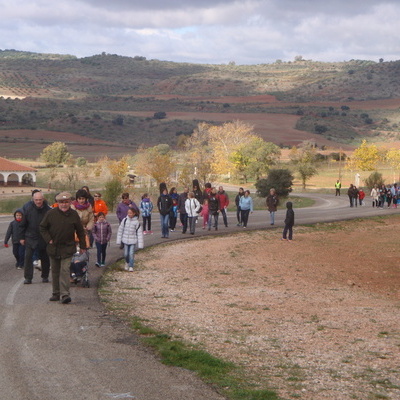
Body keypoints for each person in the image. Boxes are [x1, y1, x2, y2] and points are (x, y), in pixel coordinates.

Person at [39, 191, 87, 304]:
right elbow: (42, 227)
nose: (64, 204)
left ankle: (65, 294)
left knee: (65, 270)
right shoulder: (51, 214)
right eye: (61, 202)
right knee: (55, 271)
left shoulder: (74, 214)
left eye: (66, 202)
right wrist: (48, 239)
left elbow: (80, 231)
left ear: (70, 202)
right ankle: (55, 293)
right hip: (53, 247)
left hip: (68, 247)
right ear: (57, 203)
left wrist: (83, 246)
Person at [19, 190, 51, 284]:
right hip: (30, 236)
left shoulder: (48, 210)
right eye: (36, 200)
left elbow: (51, 225)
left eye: (40, 199)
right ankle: (28, 278)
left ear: (43, 199)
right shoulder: (27, 208)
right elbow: (22, 224)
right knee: (28, 257)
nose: (38, 202)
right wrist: (21, 237)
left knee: (45, 257)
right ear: (33, 199)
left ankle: (45, 276)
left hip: (43, 237)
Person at [116, 207, 144, 272]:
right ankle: (127, 262)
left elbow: (139, 234)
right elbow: (120, 230)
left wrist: (140, 244)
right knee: (126, 254)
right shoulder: (124, 220)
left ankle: (131, 266)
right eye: (128, 213)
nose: (129, 214)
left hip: (133, 241)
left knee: (131, 254)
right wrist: (118, 240)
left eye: (130, 213)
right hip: (125, 240)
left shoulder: (136, 222)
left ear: (134, 214)